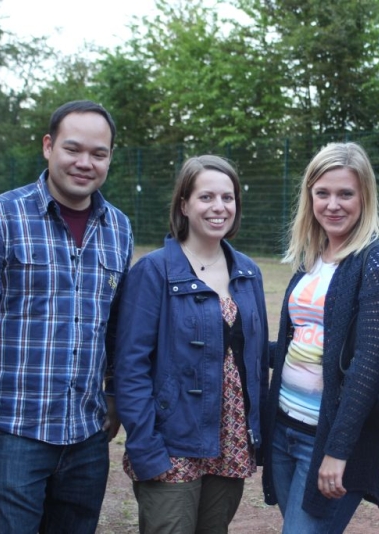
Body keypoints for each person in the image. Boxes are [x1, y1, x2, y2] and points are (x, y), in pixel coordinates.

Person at [0, 100, 134, 533]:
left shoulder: (119, 228)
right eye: (73, 148)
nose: (84, 162)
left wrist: (111, 395)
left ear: (109, 158)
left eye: (98, 153)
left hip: (87, 437)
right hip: (14, 434)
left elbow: (115, 327)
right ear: (48, 146)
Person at [114, 155, 269, 534]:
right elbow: (130, 367)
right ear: (184, 204)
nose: (219, 207)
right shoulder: (154, 271)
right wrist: (147, 448)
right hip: (172, 443)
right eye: (206, 197)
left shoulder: (248, 272)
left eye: (228, 198)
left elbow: (253, 355)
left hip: (230, 440)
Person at [261, 142, 379, 534]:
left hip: (327, 441)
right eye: (322, 193)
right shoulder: (312, 257)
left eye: (346, 194)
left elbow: (367, 369)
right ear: (309, 196)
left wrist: (338, 450)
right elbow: (301, 347)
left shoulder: (378, 262)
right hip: (284, 429)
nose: (333, 205)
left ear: (365, 197)